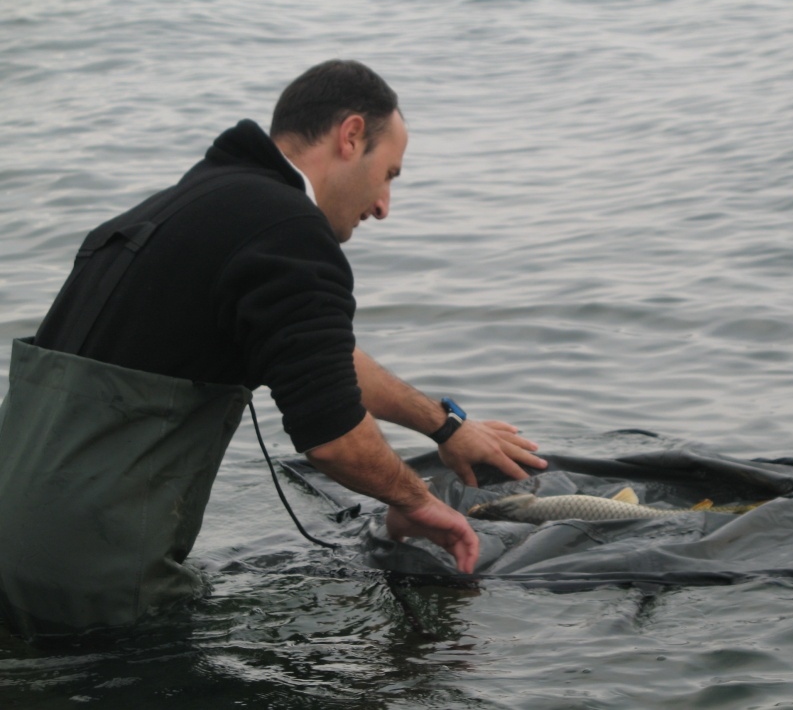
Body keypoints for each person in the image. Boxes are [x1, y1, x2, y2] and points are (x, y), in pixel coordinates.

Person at [0, 60, 545, 638]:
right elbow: (333, 440)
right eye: (389, 174)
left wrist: (444, 426)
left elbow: (323, 361)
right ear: (350, 135)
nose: (384, 204)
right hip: (89, 589)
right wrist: (418, 500)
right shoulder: (288, 231)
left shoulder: (197, 206)